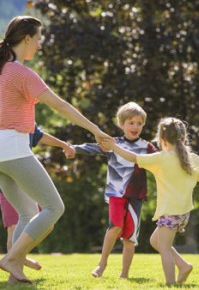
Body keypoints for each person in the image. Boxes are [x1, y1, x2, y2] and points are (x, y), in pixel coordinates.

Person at [0, 15, 108, 283]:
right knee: (54, 207)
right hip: (13, 149)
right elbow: (60, 106)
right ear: (26, 38)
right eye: (38, 39)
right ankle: (12, 258)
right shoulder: (21, 73)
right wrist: (95, 130)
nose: (39, 45)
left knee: (28, 212)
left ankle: (15, 274)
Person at [101, 117, 199, 285]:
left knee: (164, 248)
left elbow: (133, 158)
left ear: (162, 139)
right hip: (183, 213)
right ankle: (183, 265)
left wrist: (114, 146)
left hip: (170, 213)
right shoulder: (193, 158)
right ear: (183, 138)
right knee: (155, 241)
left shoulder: (161, 158)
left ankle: (170, 283)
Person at [73, 101, 156, 279]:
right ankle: (102, 264)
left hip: (136, 196)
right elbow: (92, 148)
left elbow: (162, 161)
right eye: (131, 123)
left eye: (139, 123)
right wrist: (72, 148)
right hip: (116, 194)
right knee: (115, 227)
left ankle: (124, 275)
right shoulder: (112, 143)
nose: (135, 127)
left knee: (130, 238)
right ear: (122, 124)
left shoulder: (147, 147)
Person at [1, 124, 75, 253]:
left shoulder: (22, 113)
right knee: (50, 209)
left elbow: (37, 134)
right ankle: (12, 260)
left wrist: (63, 144)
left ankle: (15, 261)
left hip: (20, 172)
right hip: (15, 162)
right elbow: (61, 105)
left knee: (36, 218)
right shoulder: (16, 109)